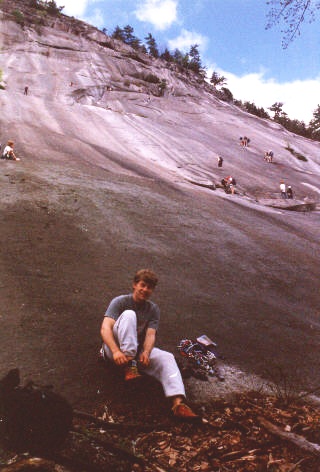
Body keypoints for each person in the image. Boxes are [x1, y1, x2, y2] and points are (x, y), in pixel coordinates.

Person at [100, 269, 199, 420]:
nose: (145, 290)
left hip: (136, 351)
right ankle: (129, 367)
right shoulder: (120, 302)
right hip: (114, 350)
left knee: (167, 357)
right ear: (134, 285)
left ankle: (178, 403)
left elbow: (150, 335)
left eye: (149, 287)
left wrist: (146, 352)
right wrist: (115, 351)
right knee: (129, 315)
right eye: (142, 285)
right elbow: (105, 328)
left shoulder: (153, 309)